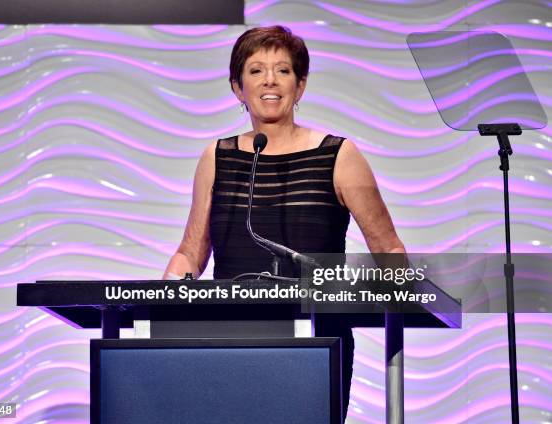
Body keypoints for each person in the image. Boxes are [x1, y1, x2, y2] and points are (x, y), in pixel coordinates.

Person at [163, 25, 405, 419]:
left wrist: (402, 297)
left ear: (301, 85)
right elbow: (191, 251)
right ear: (237, 88)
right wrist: (161, 302)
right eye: (256, 70)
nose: (270, 81)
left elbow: (388, 248)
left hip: (316, 340)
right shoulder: (217, 156)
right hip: (230, 337)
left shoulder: (340, 155)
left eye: (283, 70)